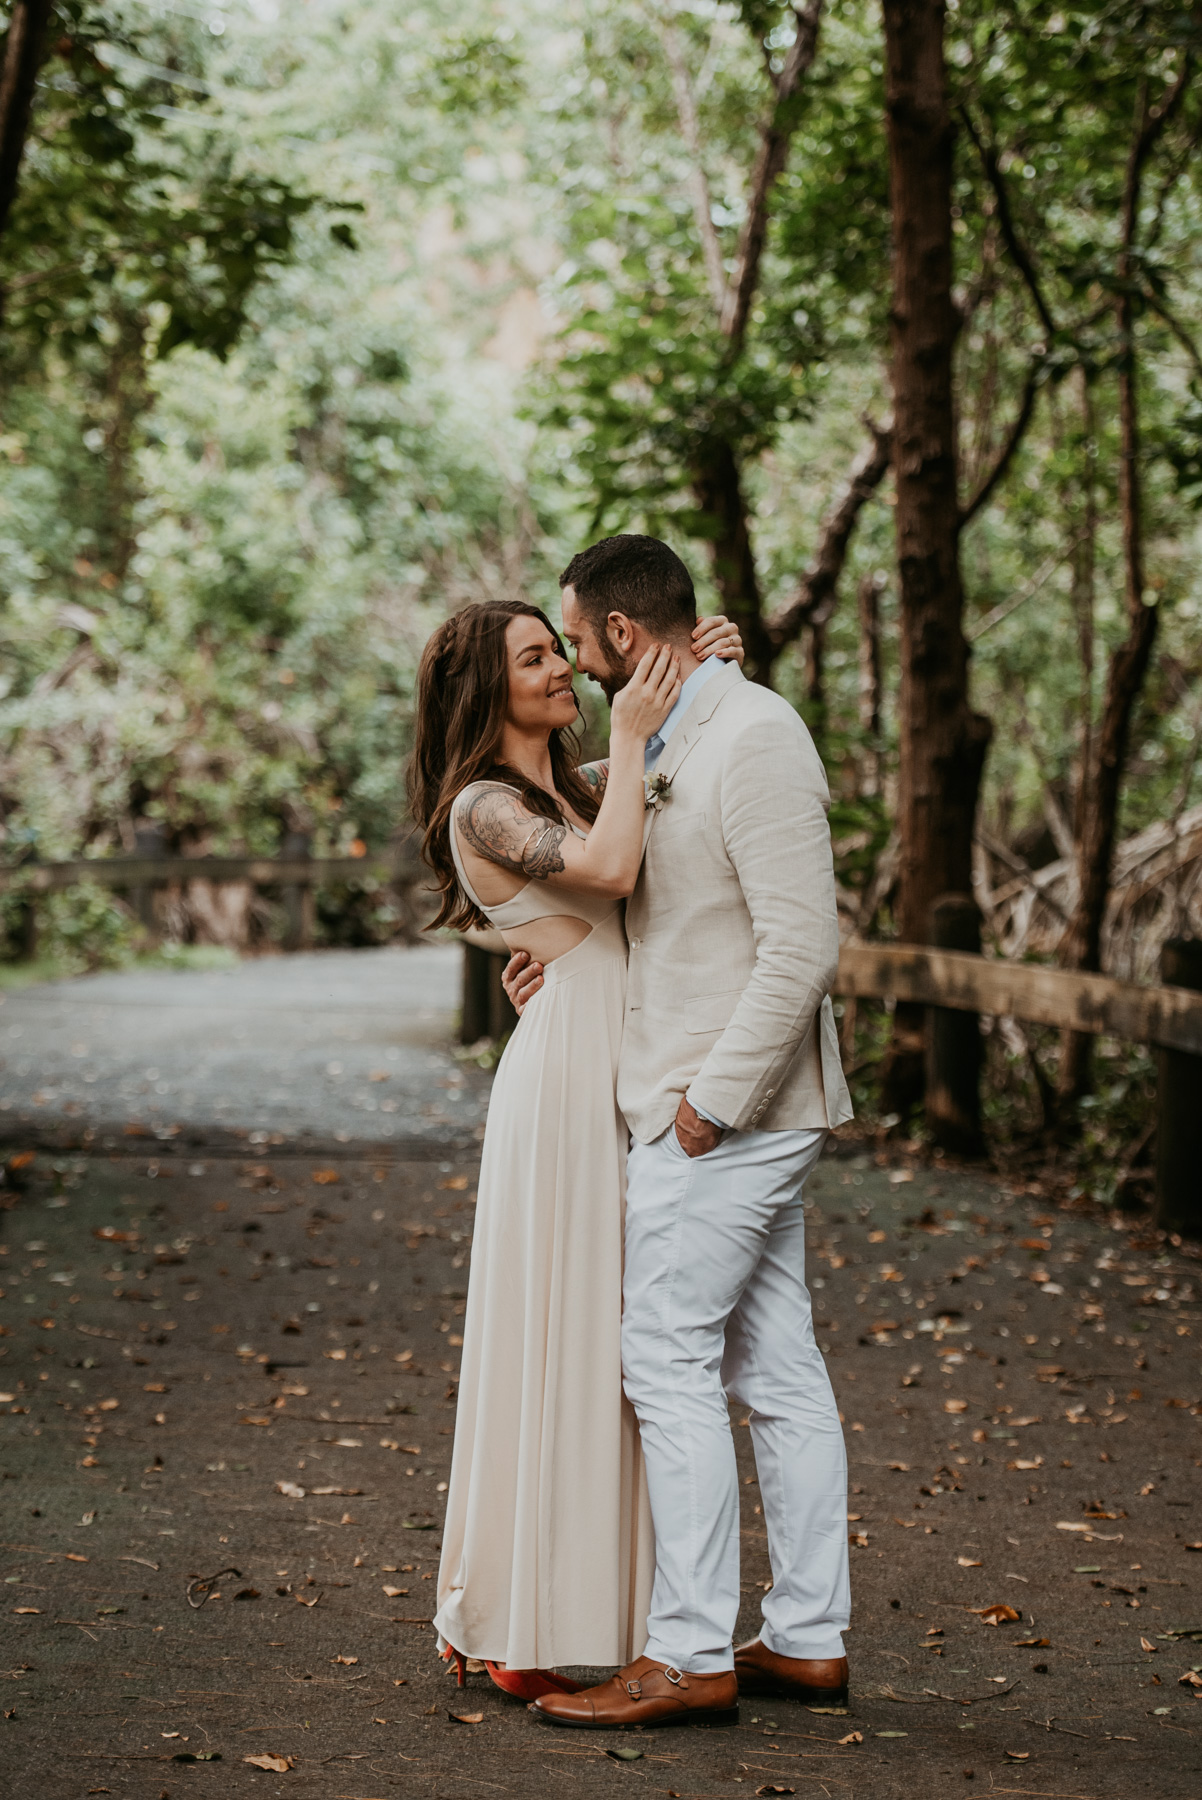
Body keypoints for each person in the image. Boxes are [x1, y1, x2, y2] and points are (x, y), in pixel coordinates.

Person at [503, 534, 854, 1731]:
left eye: (575, 637)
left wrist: (712, 1105)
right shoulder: (662, 738)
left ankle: (687, 1652)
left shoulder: (753, 735)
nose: (572, 661)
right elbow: (644, 905)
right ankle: (804, 1639)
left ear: (622, 637)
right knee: (775, 1368)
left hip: (720, 1110)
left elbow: (801, 945)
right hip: (699, 1102)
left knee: (662, 1357)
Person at [407, 594, 745, 1702]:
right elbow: (601, 877)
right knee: (555, 1330)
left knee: (626, 1342)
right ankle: (515, 1611)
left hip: (631, 1056)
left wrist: (706, 678)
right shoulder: (482, 806)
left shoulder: (586, 784)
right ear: (484, 687)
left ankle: (594, 1609)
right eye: (536, 657)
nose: (563, 669)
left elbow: (672, 839)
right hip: (564, 1080)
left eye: (560, 652)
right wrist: (638, 732)